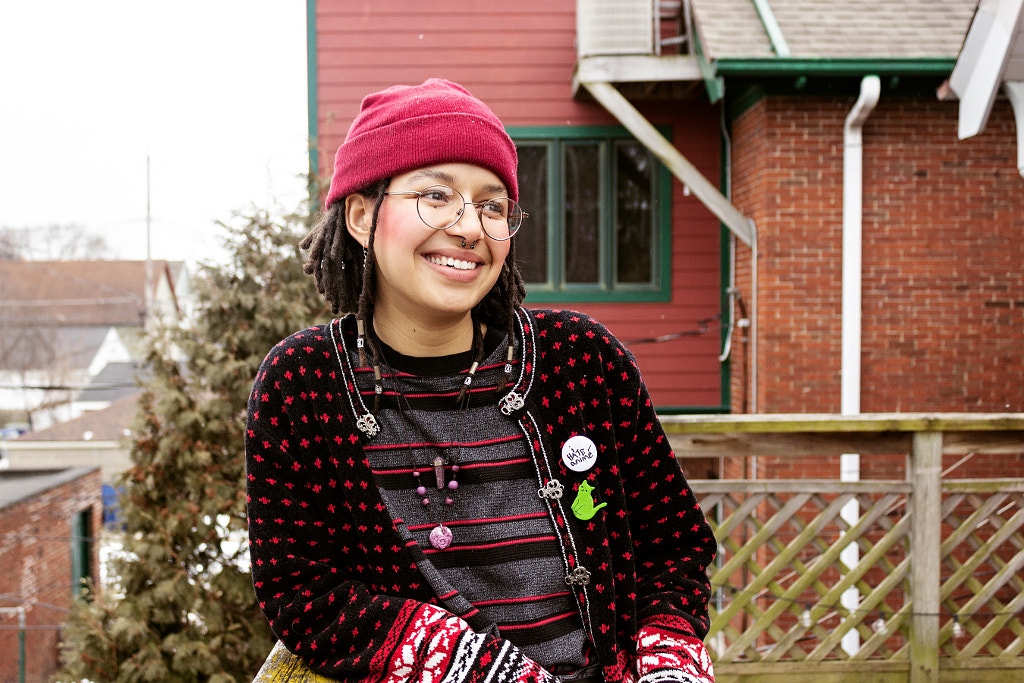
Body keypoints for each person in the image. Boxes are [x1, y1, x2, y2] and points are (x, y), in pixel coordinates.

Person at [246, 78, 717, 683]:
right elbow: (304, 594)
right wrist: (480, 670)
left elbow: (674, 546)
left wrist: (669, 663)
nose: (470, 226)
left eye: (493, 205)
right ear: (363, 216)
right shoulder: (303, 385)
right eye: (436, 196)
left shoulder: (581, 360)